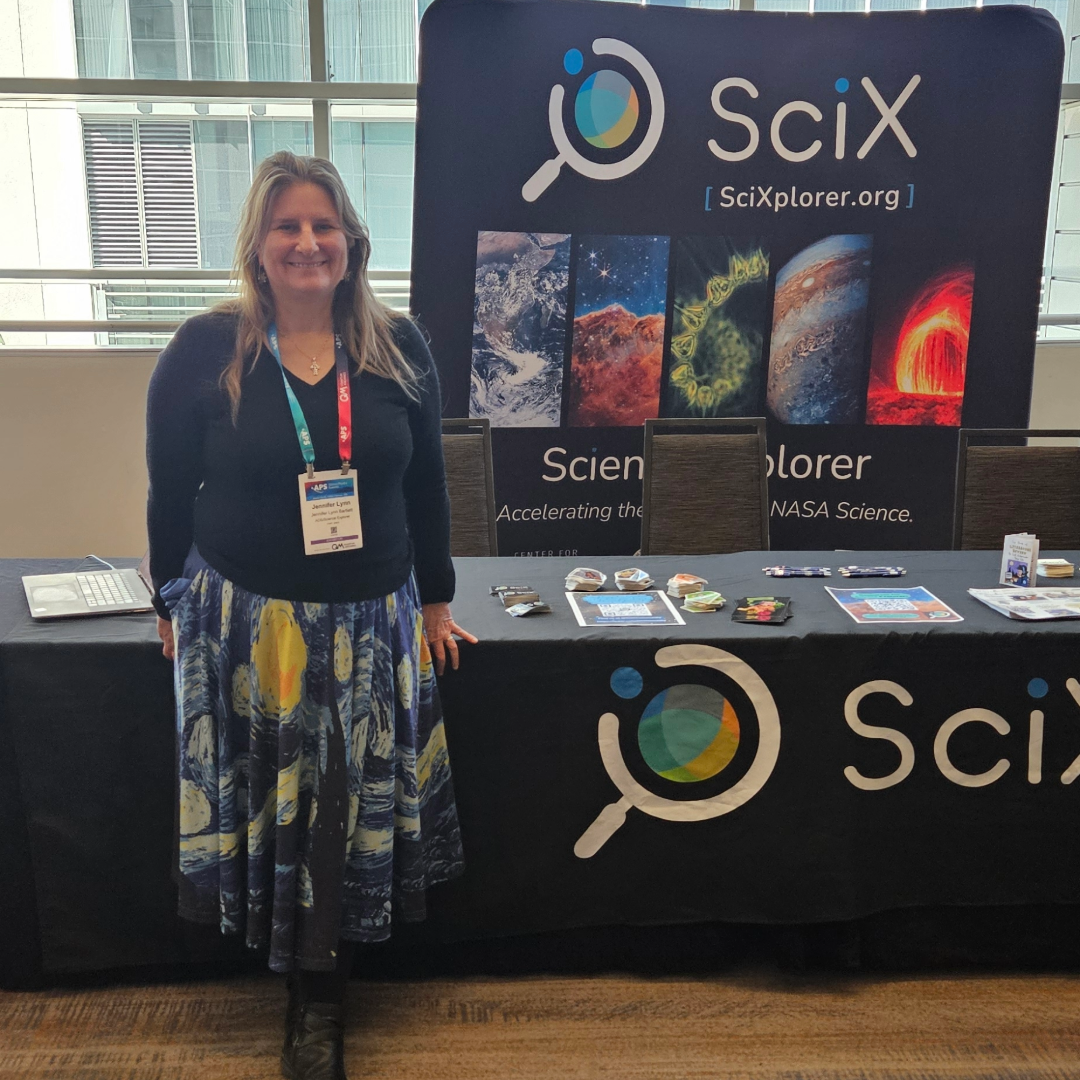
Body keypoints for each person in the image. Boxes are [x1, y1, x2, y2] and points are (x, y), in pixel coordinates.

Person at [146, 150, 476, 1080]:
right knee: (273, 807)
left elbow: (427, 490)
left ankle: (320, 1001)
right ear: (256, 244)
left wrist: (439, 601)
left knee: (339, 814)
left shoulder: (401, 348)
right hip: (250, 627)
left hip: (372, 623)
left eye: (323, 225)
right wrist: (167, 599)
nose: (306, 242)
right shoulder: (205, 351)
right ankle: (284, 973)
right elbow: (170, 491)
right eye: (287, 225)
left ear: (351, 242)